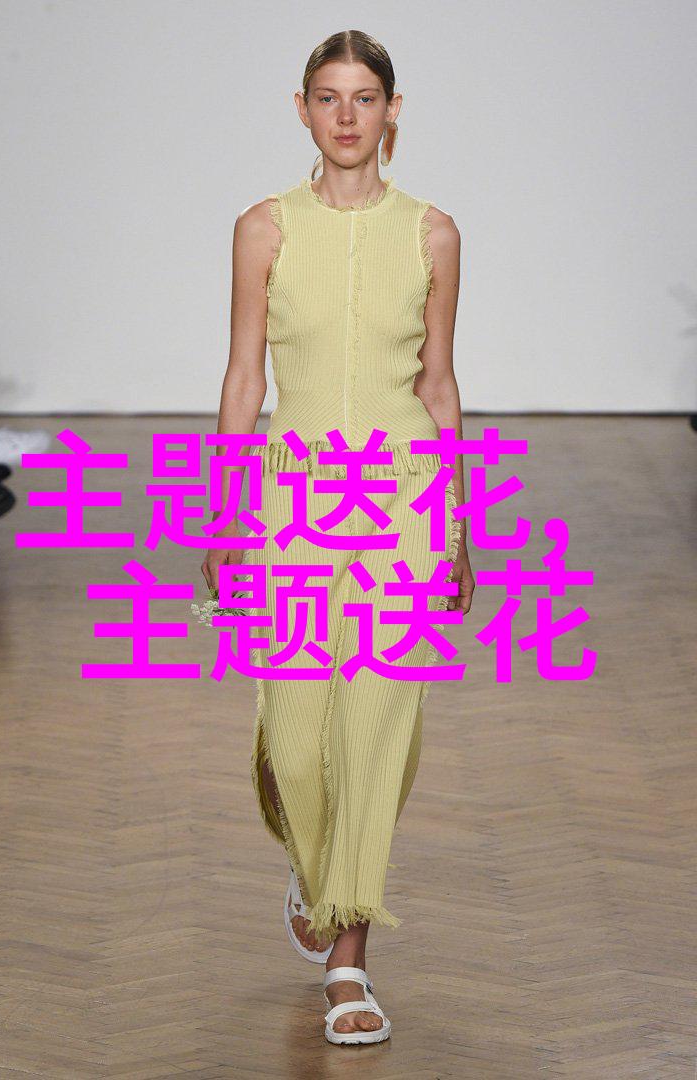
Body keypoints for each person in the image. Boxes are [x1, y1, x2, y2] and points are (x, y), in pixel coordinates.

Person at [202, 29, 474, 1045]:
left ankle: (348, 961)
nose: (347, 116)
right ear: (303, 109)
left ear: (393, 109)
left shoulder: (432, 233)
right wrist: (223, 513)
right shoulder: (263, 230)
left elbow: (438, 383)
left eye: (365, 97)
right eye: (329, 97)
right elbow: (244, 377)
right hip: (293, 503)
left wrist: (456, 526)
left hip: (401, 503)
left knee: (373, 730)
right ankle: (310, 865)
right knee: (295, 740)